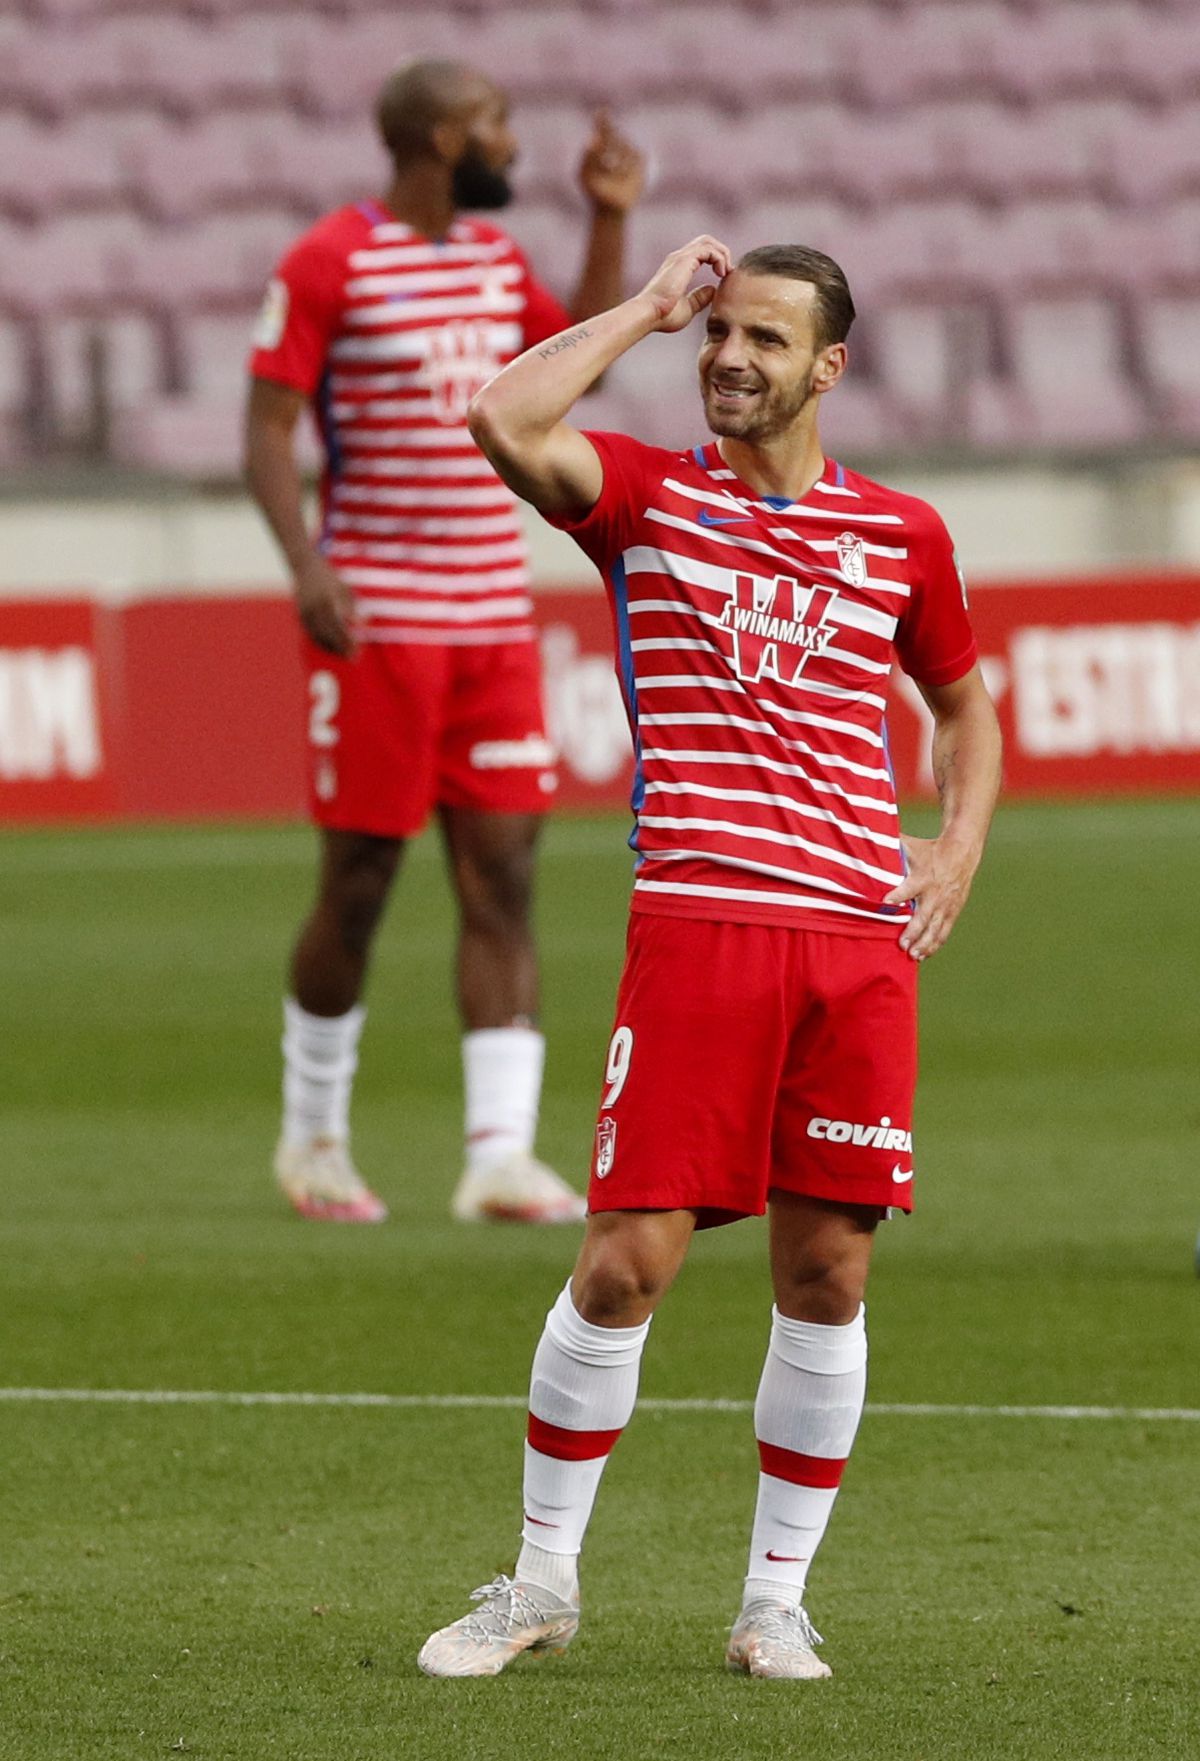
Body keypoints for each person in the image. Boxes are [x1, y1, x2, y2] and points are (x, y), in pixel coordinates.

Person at [417, 236, 1003, 1677]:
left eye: (762, 337)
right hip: (699, 927)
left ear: (830, 367)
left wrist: (958, 844)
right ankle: (541, 1580)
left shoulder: (903, 537)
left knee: (829, 1273)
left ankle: (772, 1602)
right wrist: (644, 306)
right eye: (718, 332)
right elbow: (502, 418)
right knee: (624, 1266)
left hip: (856, 945)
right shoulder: (643, 497)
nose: (729, 355)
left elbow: (965, 707)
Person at [244, 61, 645, 1224]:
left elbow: (567, 363)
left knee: (505, 875)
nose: (511, 146)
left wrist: (611, 221)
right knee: (361, 881)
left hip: (491, 620)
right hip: (378, 620)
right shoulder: (329, 261)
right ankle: (313, 1136)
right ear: (434, 138)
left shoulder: (492, 261)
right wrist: (307, 565)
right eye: (494, 126)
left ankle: (498, 1156)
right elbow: (266, 432)